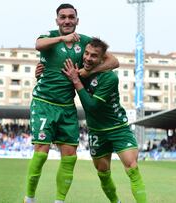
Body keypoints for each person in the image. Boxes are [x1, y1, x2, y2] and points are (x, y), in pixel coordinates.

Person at [24, 3, 119, 203]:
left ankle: (59, 201)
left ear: (77, 20)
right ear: (57, 20)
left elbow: (113, 62)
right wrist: (62, 38)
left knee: (70, 156)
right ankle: (29, 198)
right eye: (63, 17)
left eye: (71, 17)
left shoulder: (85, 42)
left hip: (67, 107)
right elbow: (38, 45)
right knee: (41, 153)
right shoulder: (48, 36)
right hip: (44, 103)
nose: (67, 20)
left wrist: (84, 73)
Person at [62, 38, 147, 203]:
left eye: (94, 56)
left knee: (132, 168)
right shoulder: (79, 68)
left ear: (102, 59)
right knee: (103, 173)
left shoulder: (109, 78)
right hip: (96, 131)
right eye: (86, 53)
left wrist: (77, 81)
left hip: (118, 128)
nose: (87, 58)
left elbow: (92, 107)